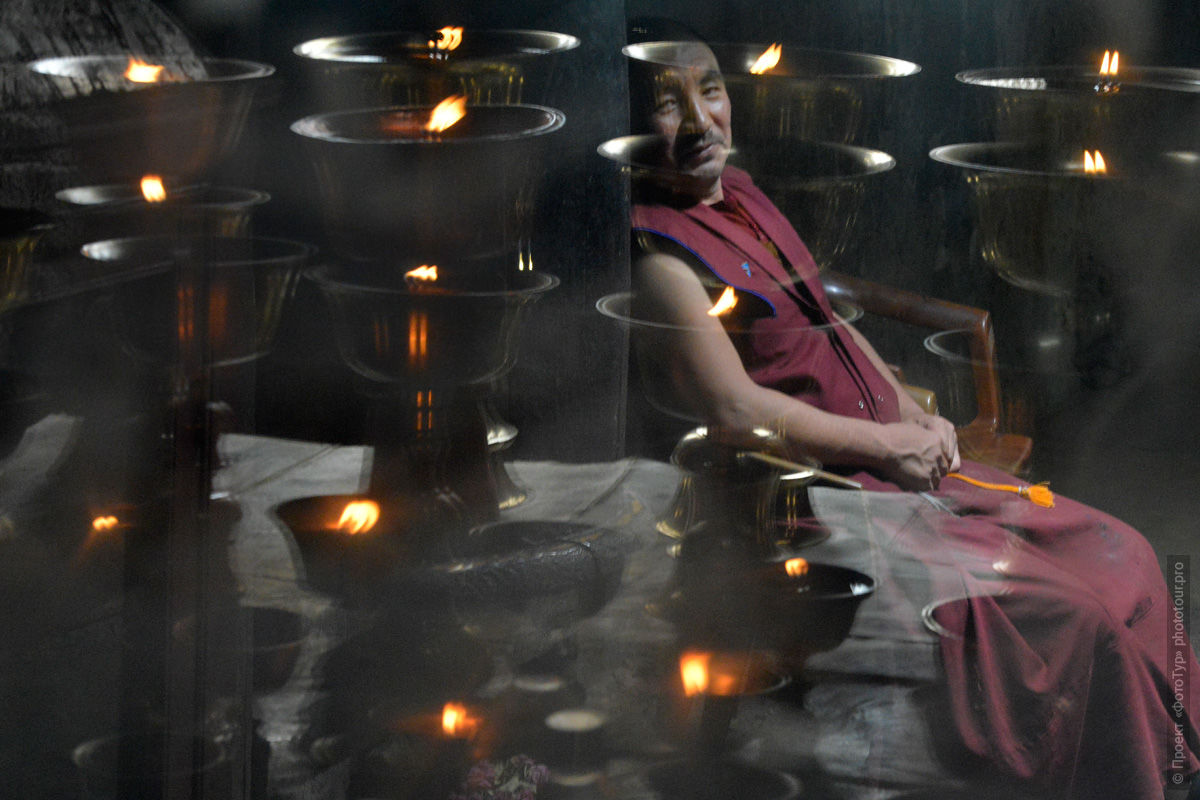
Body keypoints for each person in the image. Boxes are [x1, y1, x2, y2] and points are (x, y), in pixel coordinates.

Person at [624, 39, 1200, 799]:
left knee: (1125, 551)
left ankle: (1175, 765)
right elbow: (735, 409)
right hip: (827, 500)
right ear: (633, 126)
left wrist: (913, 416)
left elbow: (826, 316)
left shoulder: (742, 198)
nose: (701, 122)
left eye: (712, 91)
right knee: (1077, 617)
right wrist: (891, 447)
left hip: (897, 461)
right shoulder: (660, 262)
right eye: (668, 103)